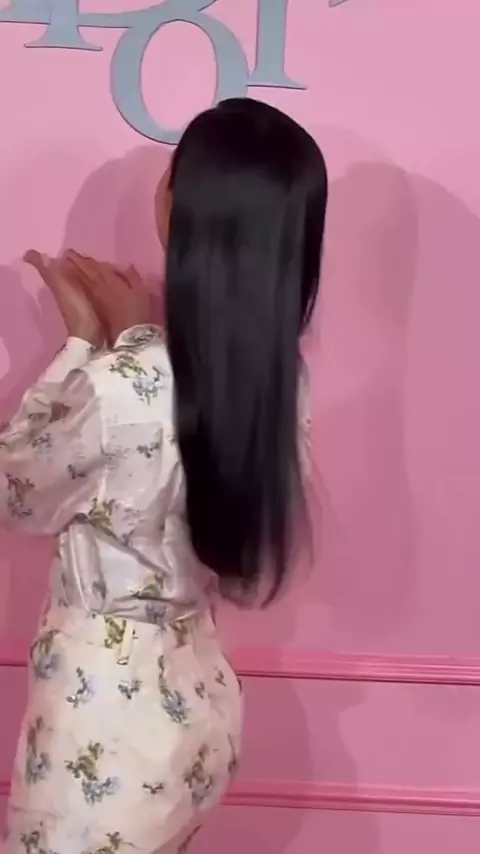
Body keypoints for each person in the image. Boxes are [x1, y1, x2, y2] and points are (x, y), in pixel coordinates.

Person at [0, 98, 328, 854]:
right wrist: (132, 339)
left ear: (180, 209)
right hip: (196, 707)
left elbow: (16, 492)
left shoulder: (121, 387)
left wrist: (85, 344)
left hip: (105, 736)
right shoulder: (279, 381)